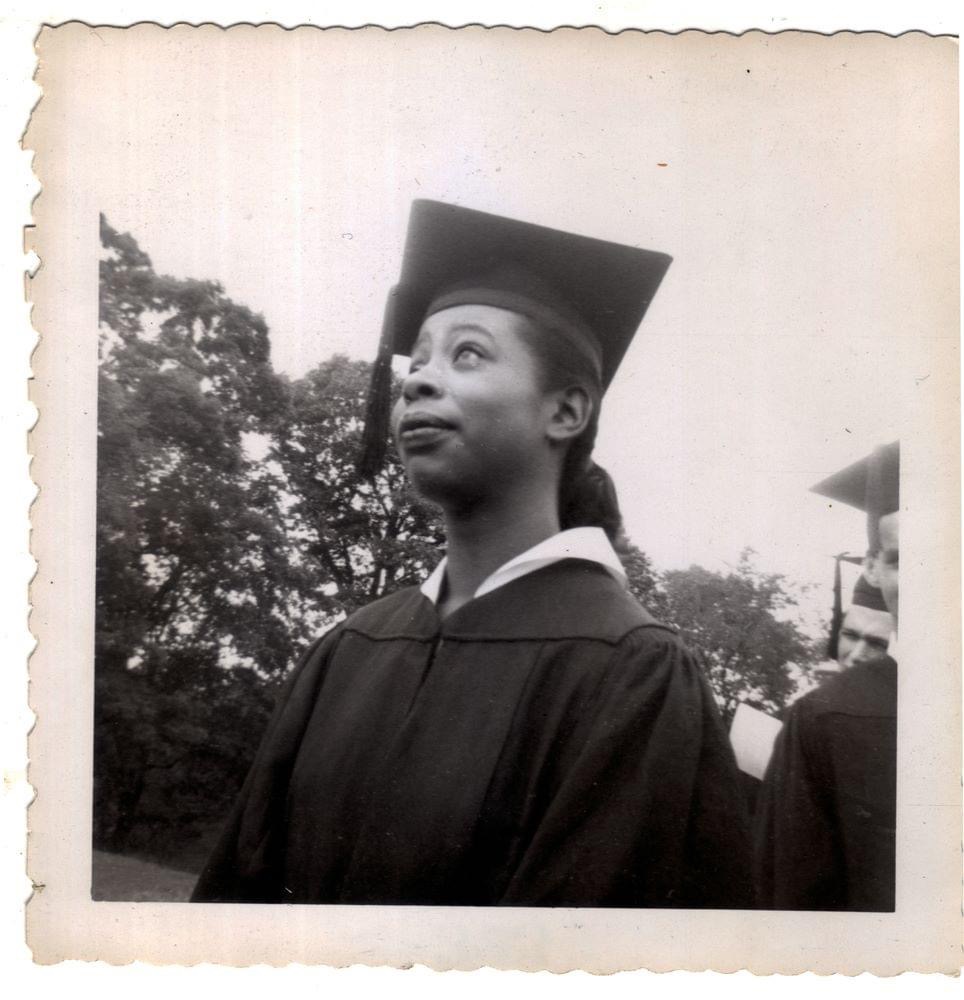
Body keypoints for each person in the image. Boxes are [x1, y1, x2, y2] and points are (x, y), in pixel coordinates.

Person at [192, 200, 753, 908]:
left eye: (468, 353)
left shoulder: (632, 674)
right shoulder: (351, 648)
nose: (419, 381)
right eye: (417, 362)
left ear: (566, 410)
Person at [754, 442, 899, 910]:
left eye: (876, 642)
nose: (856, 654)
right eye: (900, 558)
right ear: (874, 568)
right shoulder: (818, 721)